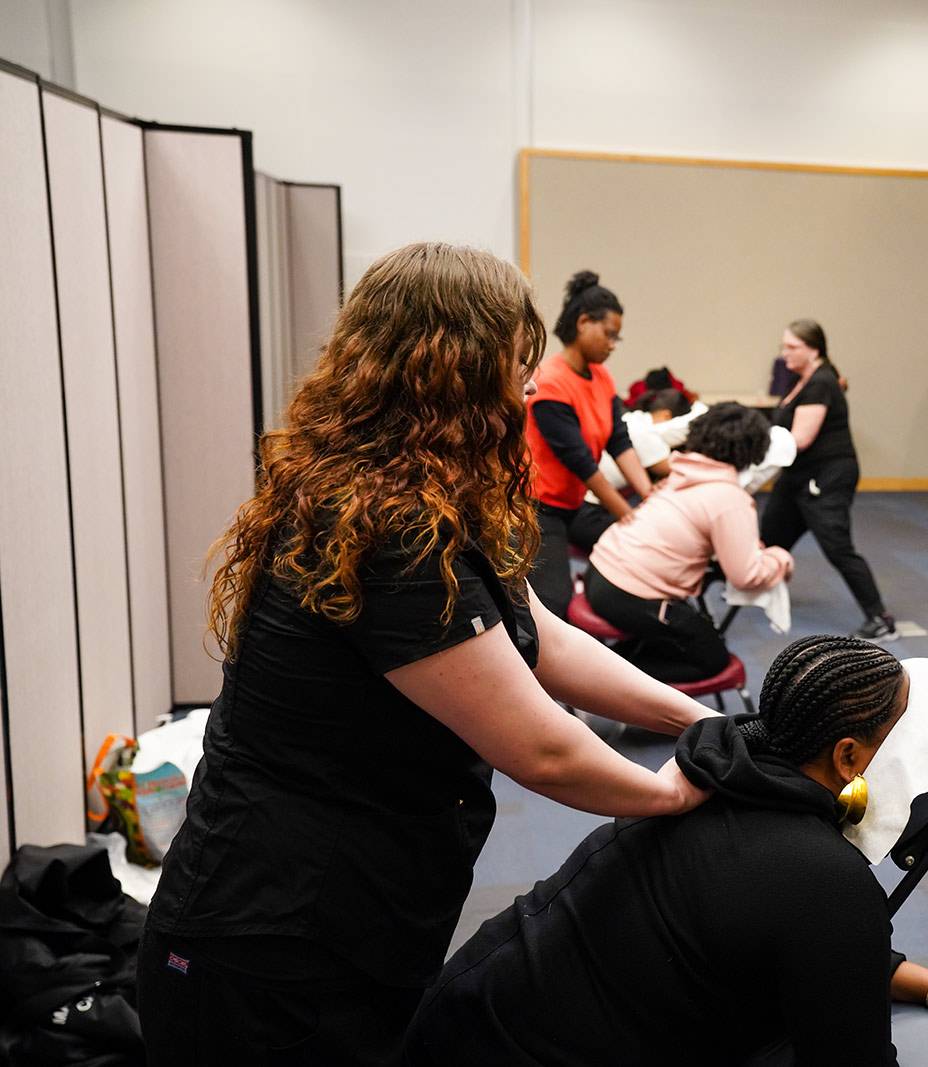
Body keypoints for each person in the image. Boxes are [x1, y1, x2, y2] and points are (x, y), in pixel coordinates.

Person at [137, 244, 714, 1067]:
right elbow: (543, 750)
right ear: (457, 377)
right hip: (270, 944)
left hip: (343, 915)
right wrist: (685, 792)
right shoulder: (385, 524)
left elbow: (539, 635)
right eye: (513, 378)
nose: (522, 397)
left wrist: (697, 721)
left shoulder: (420, 490)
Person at [404, 636, 928, 1067]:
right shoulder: (825, 877)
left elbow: (772, 937)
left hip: (462, 1022)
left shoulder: (711, 777)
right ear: (848, 758)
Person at [586, 403, 794, 682]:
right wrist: (780, 558)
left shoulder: (680, 474)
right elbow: (746, 576)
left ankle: (608, 664)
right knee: (713, 657)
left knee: (681, 634)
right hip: (630, 594)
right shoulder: (730, 498)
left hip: (599, 571)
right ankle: (604, 678)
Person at [760, 319, 898, 641]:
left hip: (826, 477)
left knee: (837, 547)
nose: (785, 354)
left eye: (793, 347)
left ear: (814, 350)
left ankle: (880, 618)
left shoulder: (821, 382)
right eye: (784, 346)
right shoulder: (802, 379)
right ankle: (758, 594)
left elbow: (801, 438)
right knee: (769, 539)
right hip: (796, 476)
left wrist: (755, 452)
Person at [525, 270, 652, 618]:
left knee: (643, 552)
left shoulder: (601, 376)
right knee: (555, 605)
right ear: (583, 323)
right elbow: (580, 462)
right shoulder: (550, 383)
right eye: (609, 335)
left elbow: (618, 440)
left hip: (573, 504)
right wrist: (628, 515)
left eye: (617, 339)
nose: (612, 345)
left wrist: (650, 500)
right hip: (537, 509)